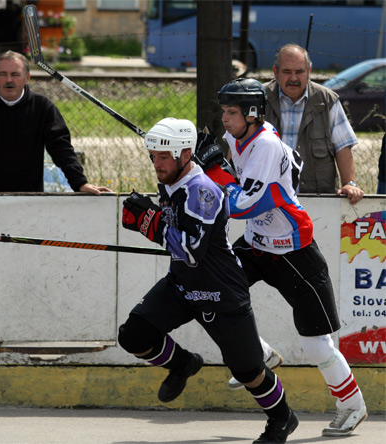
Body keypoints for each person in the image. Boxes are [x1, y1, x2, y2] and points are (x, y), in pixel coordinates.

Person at [195, 78, 367, 438]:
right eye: (223, 111)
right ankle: (259, 354)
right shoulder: (238, 137)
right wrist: (197, 159)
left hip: (293, 251)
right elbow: (224, 179)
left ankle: (352, 405)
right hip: (258, 244)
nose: (224, 119)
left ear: (253, 114)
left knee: (316, 343)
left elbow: (242, 205)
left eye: (231, 113)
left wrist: (212, 170)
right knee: (209, 289)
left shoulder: (267, 147)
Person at [119, 117, 299, 443]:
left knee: (248, 372)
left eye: (164, 157)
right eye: (153, 157)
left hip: (221, 292)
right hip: (183, 285)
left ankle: (282, 417)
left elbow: (191, 250)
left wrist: (149, 223)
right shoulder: (171, 182)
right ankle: (185, 364)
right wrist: (150, 218)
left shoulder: (202, 191)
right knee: (133, 335)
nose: (157, 164)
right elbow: (174, 238)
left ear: (185, 155)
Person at [0, 51, 111, 195]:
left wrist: (80, 183)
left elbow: (61, 149)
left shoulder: (43, 108)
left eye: (15, 74)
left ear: (27, 78)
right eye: (3, 74)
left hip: (30, 198)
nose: (9, 80)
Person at [264, 43, 364, 204]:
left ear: (309, 71)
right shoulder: (259, 99)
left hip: (317, 200)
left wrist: (349, 183)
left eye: (299, 72)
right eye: (287, 72)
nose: (294, 78)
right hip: (267, 199)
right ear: (275, 72)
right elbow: (239, 144)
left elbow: (343, 147)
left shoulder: (327, 100)